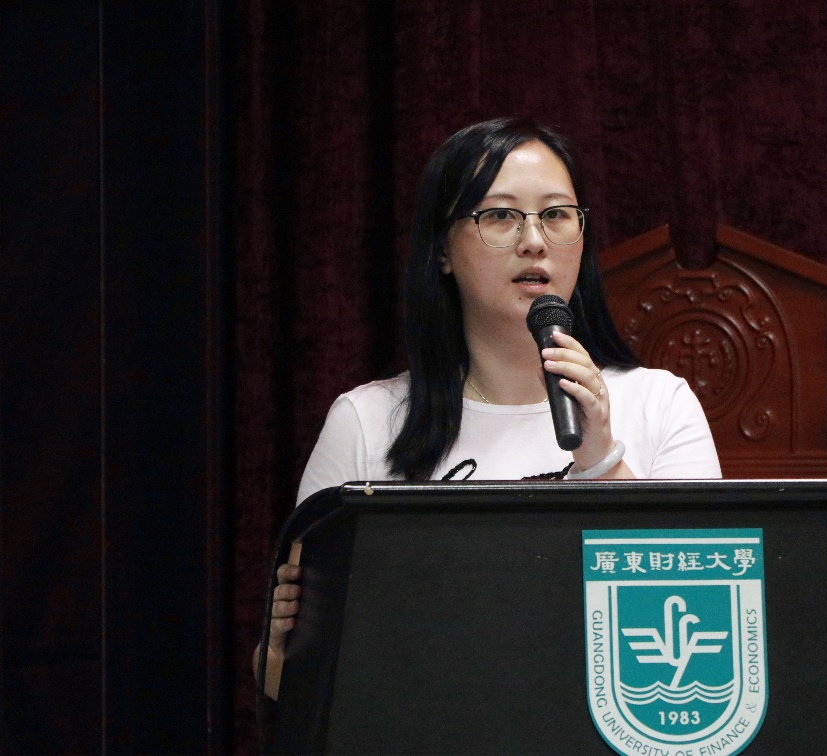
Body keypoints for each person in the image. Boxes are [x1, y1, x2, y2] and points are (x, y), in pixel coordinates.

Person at [260, 117, 720, 699]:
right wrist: (283, 650)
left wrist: (601, 459)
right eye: (501, 216)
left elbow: (703, 630)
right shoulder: (366, 421)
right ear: (442, 250)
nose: (534, 241)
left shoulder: (660, 404)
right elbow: (288, 684)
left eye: (556, 215)